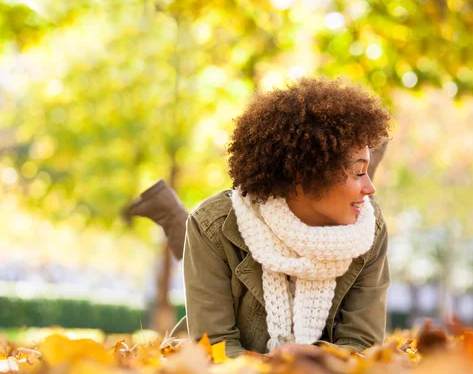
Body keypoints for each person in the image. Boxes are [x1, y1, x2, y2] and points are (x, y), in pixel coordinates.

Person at [128, 77, 391, 357]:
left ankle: (164, 207)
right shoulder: (212, 226)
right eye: (358, 172)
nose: (370, 188)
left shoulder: (368, 231)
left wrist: (299, 361)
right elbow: (217, 346)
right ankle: (165, 208)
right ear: (304, 174)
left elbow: (362, 346)